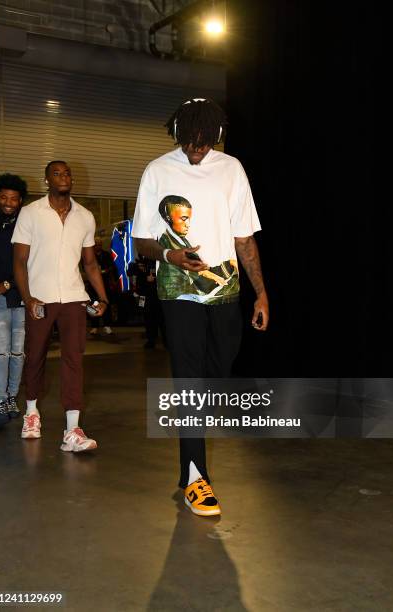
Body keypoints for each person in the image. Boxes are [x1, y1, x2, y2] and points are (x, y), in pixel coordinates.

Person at [132, 98, 269, 516]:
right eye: (189, 142)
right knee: (188, 378)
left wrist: (261, 292)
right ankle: (196, 477)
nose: (196, 149)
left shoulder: (232, 169)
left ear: (215, 136)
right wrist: (171, 256)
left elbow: (244, 238)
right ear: (177, 133)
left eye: (203, 142)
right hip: (177, 288)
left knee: (221, 365)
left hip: (224, 285)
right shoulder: (158, 170)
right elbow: (141, 242)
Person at [12, 160, 109, 452]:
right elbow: (19, 262)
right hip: (40, 297)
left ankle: (73, 429)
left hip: (74, 298)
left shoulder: (85, 216)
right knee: (35, 356)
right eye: (56, 173)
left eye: (67, 173)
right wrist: (28, 298)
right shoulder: (31, 213)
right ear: (46, 181)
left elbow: (90, 264)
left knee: (74, 360)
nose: (63, 177)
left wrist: (103, 298)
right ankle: (31, 413)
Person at [0, 173, 27, 428]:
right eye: (4, 197)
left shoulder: (25, 225)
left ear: (21, 200)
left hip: (21, 295)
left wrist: (9, 284)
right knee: (0, 352)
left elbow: (31, 263)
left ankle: (12, 397)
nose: (8, 202)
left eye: (13, 198)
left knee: (18, 352)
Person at [88, 236, 116, 335]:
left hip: (105, 284)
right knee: (93, 305)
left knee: (105, 303)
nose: (98, 246)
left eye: (99, 244)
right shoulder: (89, 255)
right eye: (96, 244)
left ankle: (107, 325)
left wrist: (103, 271)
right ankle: (94, 326)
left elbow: (111, 267)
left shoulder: (106, 255)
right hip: (92, 285)